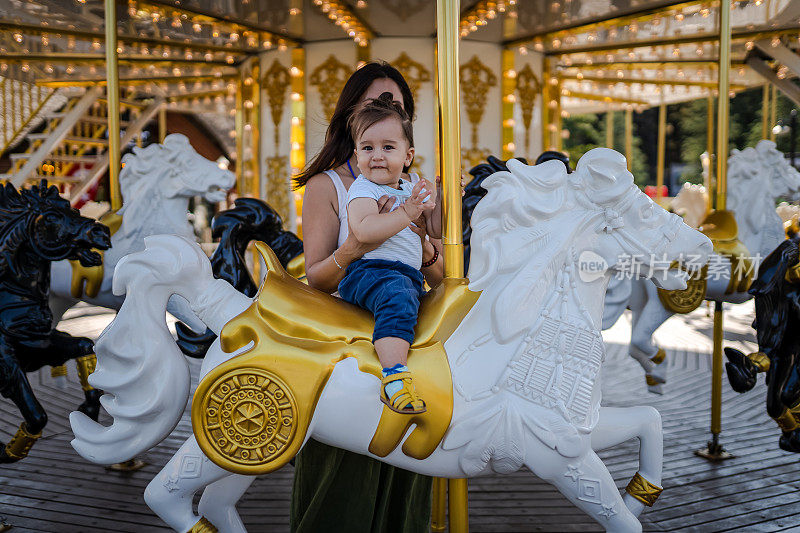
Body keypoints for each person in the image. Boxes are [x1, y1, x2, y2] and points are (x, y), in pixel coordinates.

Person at [290, 61, 440, 533]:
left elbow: (437, 273)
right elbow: (316, 278)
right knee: (346, 480)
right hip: (349, 338)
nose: (383, 110)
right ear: (351, 119)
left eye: (394, 105)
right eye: (372, 103)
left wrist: (429, 235)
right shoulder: (330, 186)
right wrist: (356, 246)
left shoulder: (410, 187)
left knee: (408, 472)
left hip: (405, 317)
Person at [338, 94, 441, 414]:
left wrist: (445, 196)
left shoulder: (407, 189)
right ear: (356, 155)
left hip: (406, 275)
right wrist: (409, 211)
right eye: (368, 148)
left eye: (388, 147)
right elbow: (365, 230)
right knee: (397, 297)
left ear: (408, 156)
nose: (377, 156)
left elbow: (435, 231)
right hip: (371, 272)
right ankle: (394, 377)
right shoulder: (363, 189)